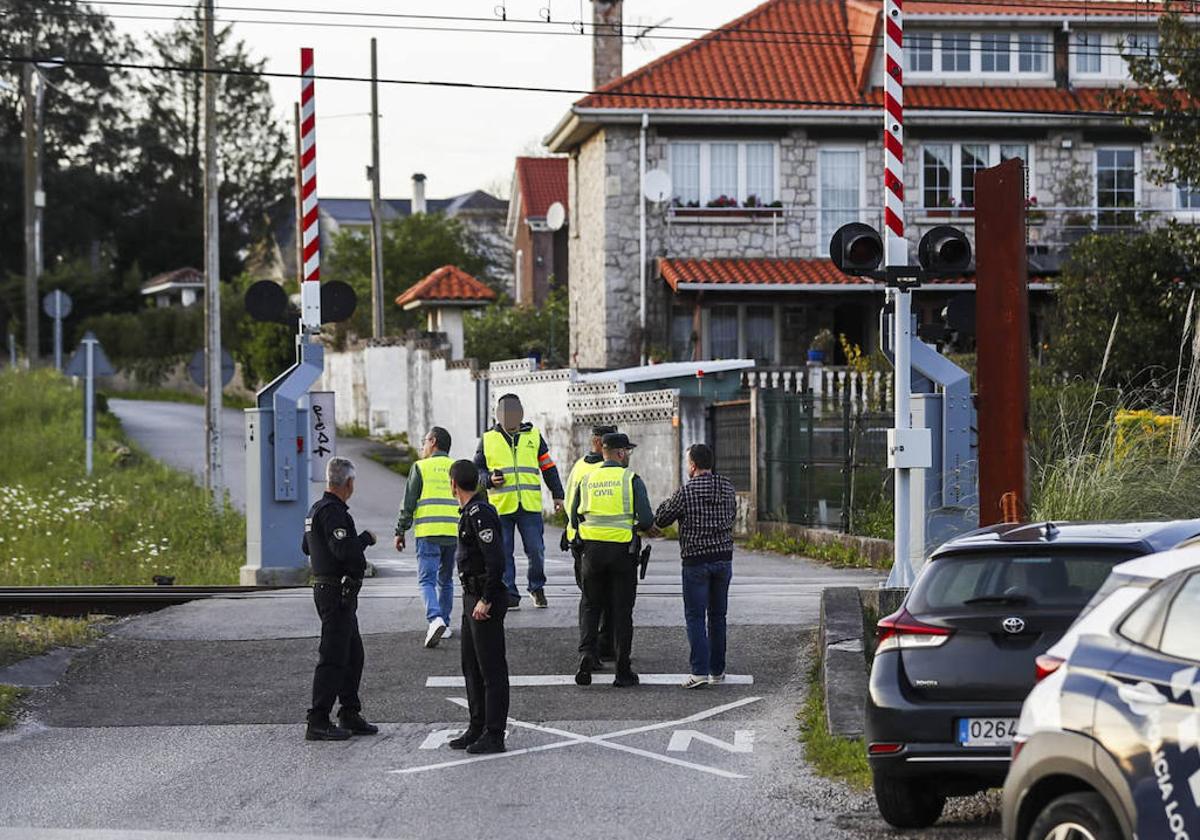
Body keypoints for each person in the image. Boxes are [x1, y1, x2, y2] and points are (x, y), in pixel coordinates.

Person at [302, 456, 380, 740]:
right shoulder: (334, 512)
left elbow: (306, 547)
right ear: (349, 482)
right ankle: (318, 720)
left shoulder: (315, 510)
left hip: (329, 589)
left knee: (352, 654)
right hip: (335, 591)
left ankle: (349, 712)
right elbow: (344, 551)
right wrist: (364, 540)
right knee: (333, 656)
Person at [571, 432, 655, 688]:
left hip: (591, 553)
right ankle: (622, 669)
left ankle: (587, 654)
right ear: (619, 453)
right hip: (621, 554)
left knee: (590, 605)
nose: (628, 455)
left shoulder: (586, 479)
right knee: (621, 610)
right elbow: (647, 519)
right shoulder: (630, 479)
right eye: (627, 451)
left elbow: (574, 518)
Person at [654, 443, 738, 689]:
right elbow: (732, 516)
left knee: (695, 616)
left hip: (696, 562)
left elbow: (662, 519)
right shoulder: (727, 487)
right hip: (723, 558)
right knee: (718, 616)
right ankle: (717, 670)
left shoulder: (686, 492)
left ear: (692, 465)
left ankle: (699, 671)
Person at [474, 393, 565, 610]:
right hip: (501, 506)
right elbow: (477, 470)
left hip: (529, 505)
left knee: (536, 550)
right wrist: (488, 480)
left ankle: (536, 587)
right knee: (504, 552)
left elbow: (548, 467)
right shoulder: (487, 439)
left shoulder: (534, 435)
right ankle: (510, 593)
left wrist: (557, 494)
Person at [447, 458, 510, 754]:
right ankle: (477, 726)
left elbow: (496, 560)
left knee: (491, 668)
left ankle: (494, 733)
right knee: (470, 666)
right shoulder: (469, 512)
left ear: (453, 484)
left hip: (484, 598)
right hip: (470, 597)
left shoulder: (480, 513)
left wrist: (486, 599)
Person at [395, 426, 458, 648]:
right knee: (447, 580)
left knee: (426, 581)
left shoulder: (420, 467)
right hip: (453, 532)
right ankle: (446, 624)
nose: (422, 446)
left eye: (424, 441)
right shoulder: (457, 467)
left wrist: (400, 530)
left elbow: (409, 503)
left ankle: (435, 618)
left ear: (433, 441)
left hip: (428, 533)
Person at [561, 424, 618, 662]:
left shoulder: (579, 467)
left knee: (590, 599)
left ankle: (590, 650)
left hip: (582, 542)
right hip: (611, 542)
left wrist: (570, 531)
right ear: (599, 443)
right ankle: (605, 646)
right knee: (610, 598)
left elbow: (569, 503)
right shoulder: (616, 471)